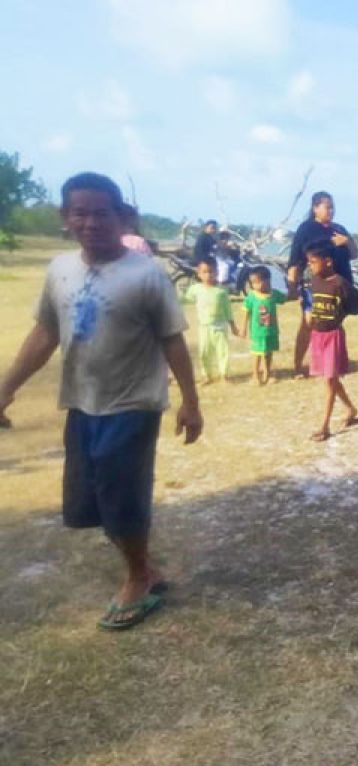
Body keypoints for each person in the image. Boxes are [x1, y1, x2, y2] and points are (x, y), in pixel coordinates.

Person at [0, 172, 203, 630]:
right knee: (91, 497)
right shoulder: (60, 270)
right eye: (80, 212)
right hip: (82, 401)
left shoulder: (146, 273)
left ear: (122, 217)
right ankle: (145, 566)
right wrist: (7, 386)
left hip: (134, 403)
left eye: (101, 212)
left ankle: (137, 578)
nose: (91, 222)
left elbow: (173, 341)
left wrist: (191, 401)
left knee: (120, 491)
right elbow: (45, 333)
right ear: (65, 218)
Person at [287, 192, 358, 377]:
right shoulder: (307, 228)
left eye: (332, 206)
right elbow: (295, 258)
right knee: (309, 322)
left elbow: (355, 254)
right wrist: (292, 285)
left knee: (335, 322)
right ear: (315, 208)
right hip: (313, 283)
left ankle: (335, 362)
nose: (331, 210)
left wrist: (347, 241)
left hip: (338, 284)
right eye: (327, 206)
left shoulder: (339, 228)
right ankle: (298, 365)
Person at [305, 240, 358, 441]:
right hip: (317, 335)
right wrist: (308, 312)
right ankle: (351, 409)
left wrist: (341, 314)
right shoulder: (314, 280)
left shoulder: (339, 283)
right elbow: (309, 299)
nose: (310, 266)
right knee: (331, 380)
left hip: (333, 336)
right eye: (309, 262)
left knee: (330, 380)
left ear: (327, 261)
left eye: (313, 262)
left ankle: (324, 426)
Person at [181, 257, 238, 384]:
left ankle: (224, 375)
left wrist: (233, 325)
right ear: (199, 273)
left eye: (211, 271)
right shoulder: (195, 289)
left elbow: (227, 309)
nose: (208, 275)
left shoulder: (221, 291)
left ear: (217, 272)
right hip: (204, 327)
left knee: (223, 352)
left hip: (220, 326)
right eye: (205, 272)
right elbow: (185, 299)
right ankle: (207, 375)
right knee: (204, 352)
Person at [240, 266, 289, 385]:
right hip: (257, 332)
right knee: (257, 353)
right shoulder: (252, 296)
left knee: (268, 353)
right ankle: (255, 375)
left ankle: (267, 373)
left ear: (268, 280)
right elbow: (246, 311)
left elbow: (285, 298)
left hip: (271, 331)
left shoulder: (274, 294)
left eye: (259, 282)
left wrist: (298, 294)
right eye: (253, 283)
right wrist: (243, 328)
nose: (256, 285)